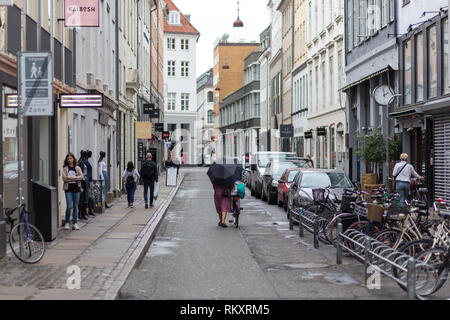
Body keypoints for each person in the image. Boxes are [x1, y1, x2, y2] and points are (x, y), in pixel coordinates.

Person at [62, 153, 84, 230]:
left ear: (74, 159)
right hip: (68, 189)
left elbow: (81, 177)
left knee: (75, 206)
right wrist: (75, 178)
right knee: (69, 206)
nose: (69, 160)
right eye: (68, 159)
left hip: (76, 189)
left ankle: (74, 223)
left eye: (71, 158)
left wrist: (70, 177)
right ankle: (67, 222)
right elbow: (64, 179)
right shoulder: (65, 168)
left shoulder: (77, 168)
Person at [77, 150, 89, 221]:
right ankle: (81, 214)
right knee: (82, 198)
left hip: (84, 181)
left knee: (84, 198)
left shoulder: (82, 161)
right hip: (82, 181)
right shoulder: (81, 162)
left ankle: (82, 213)